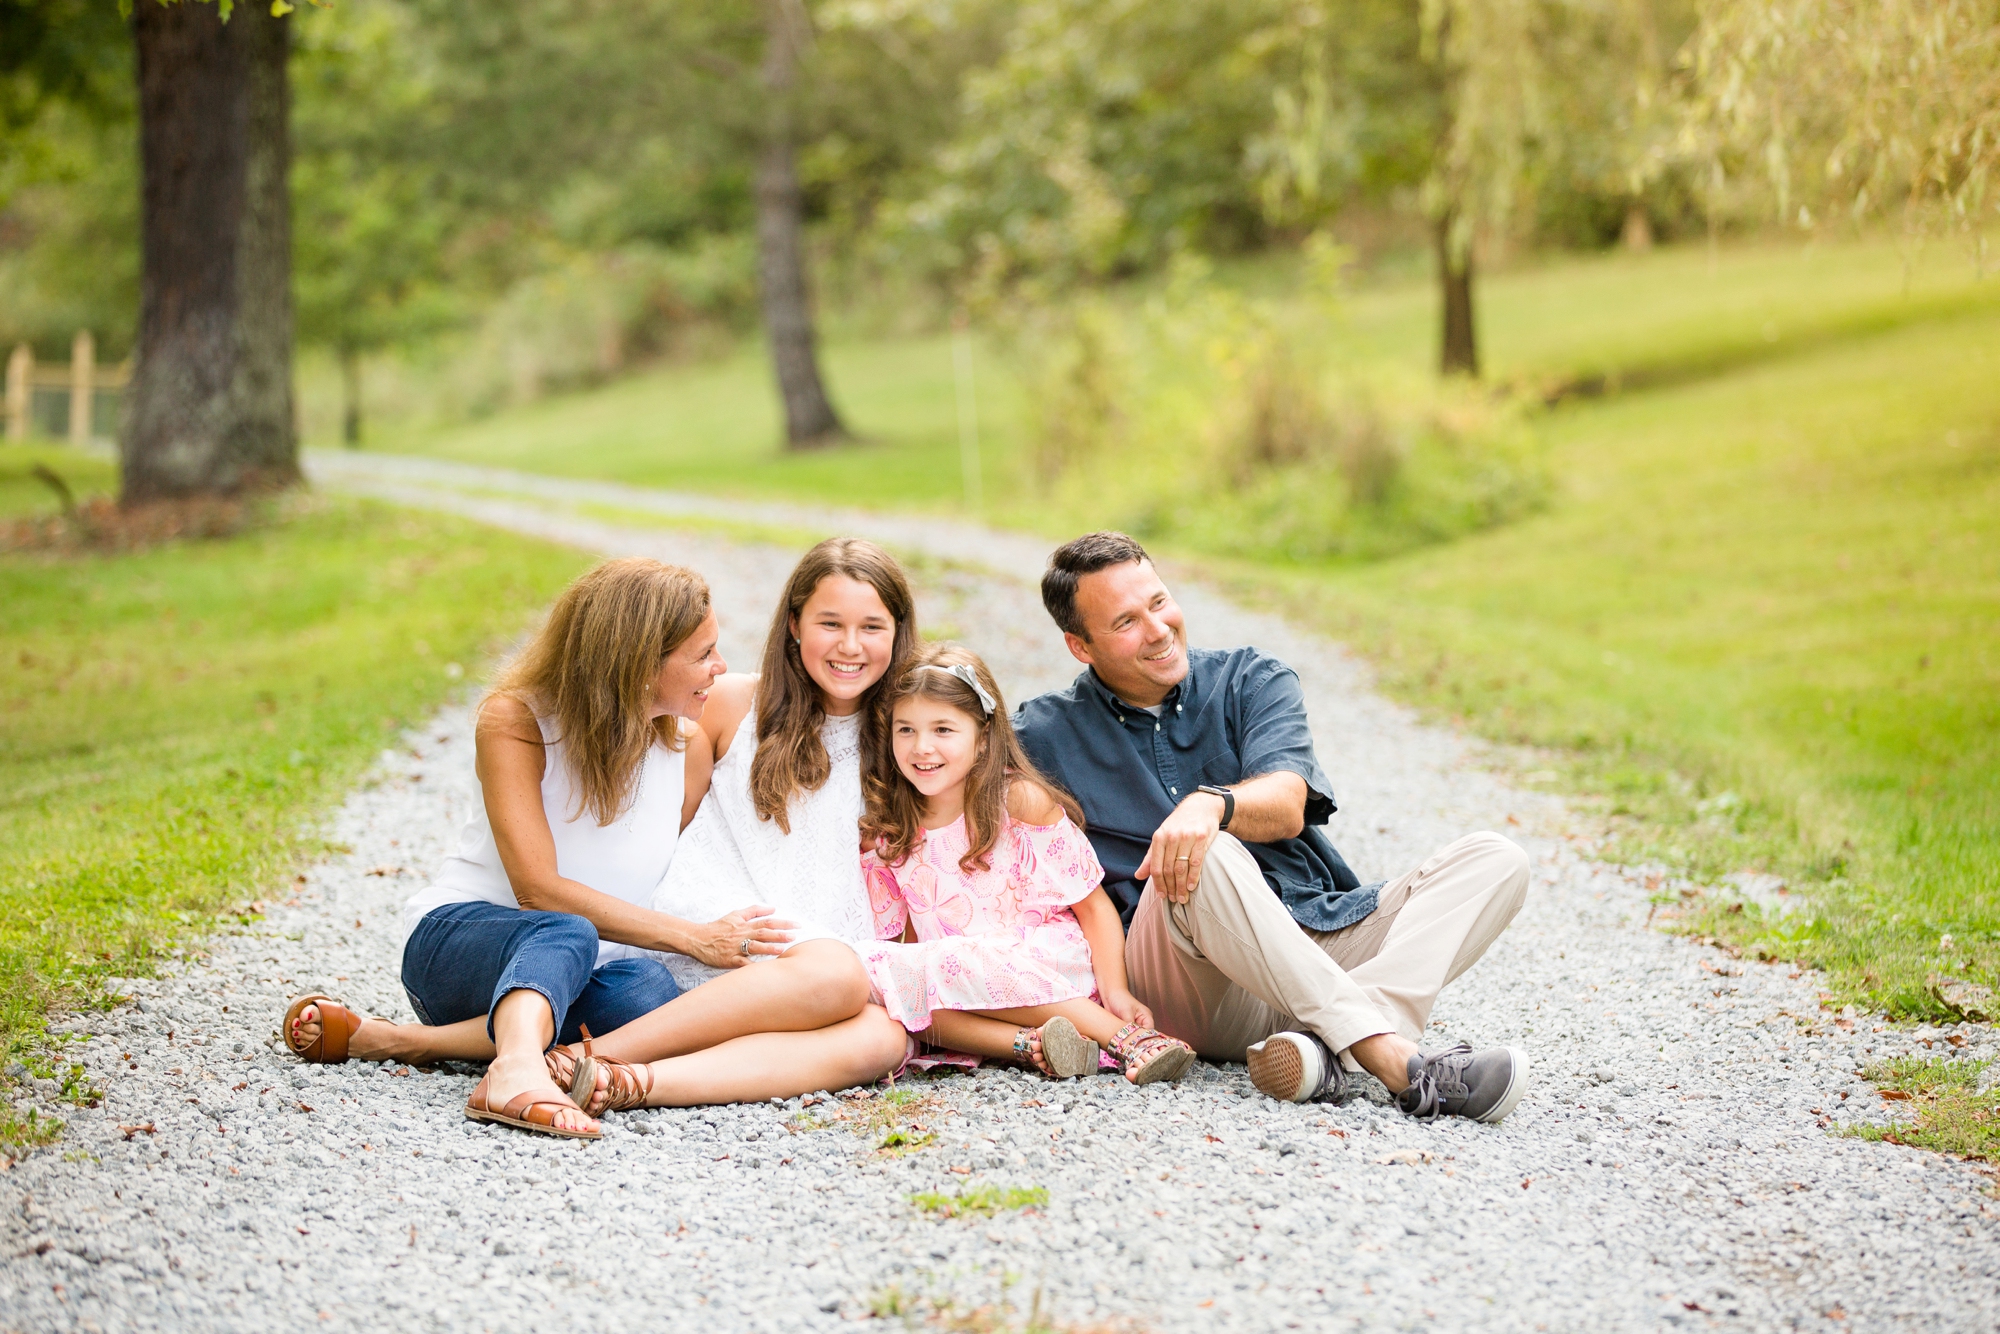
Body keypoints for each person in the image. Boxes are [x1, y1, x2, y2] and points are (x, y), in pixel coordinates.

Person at [1013, 532, 1532, 1122]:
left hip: (1311, 936)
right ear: (1080, 646)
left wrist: (1213, 803)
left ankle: (1321, 1047)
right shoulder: (1040, 736)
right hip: (1189, 981)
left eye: (1159, 602)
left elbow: (1287, 801)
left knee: (1497, 858)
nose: (1158, 629)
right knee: (1204, 855)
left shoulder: (1249, 678)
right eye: (1126, 621)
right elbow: (938, 776)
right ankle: (1389, 1056)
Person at [283, 558, 762, 1138]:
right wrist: (692, 938)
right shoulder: (516, 720)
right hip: (460, 948)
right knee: (568, 928)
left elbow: (800, 694)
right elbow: (536, 890)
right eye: (703, 653)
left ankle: (410, 1043)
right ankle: (512, 1070)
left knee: (653, 992)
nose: (721, 666)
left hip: (576, 979)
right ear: (638, 663)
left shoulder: (683, 742)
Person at [545, 538, 918, 1112]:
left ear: (898, 632)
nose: (850, 646)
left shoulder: (915, 733)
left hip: (821, 968)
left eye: (872, 627)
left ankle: (633, 1084)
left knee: (886, 1037)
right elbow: (666, 825)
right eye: (829, 623)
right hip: (721, 928)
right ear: (794, 624)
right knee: (837, 976)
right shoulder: (733, 703)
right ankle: (589, 1055)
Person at [855, 644, 1197, 1084]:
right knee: (896, 981)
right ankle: (1033, 1046)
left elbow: (1093, 908)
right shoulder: (888, 835)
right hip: (962, 986)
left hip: (1047, 964)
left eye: (943, 729)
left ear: (982, 739)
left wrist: (1117, 991)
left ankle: (1126, 1038)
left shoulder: (1017, 802)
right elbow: (907, 949)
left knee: (951, 961)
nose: (922, 748)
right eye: (906, 730)